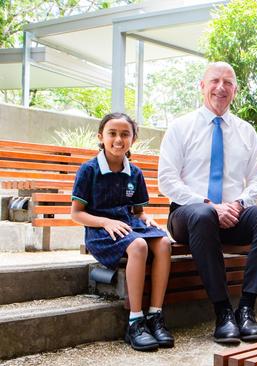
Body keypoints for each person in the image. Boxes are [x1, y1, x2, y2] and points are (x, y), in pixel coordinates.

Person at [158, 62, 257, 345]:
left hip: (233, 214)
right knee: (203, 215)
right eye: (214, 81)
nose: (221, 87)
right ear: (202, 86)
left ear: (235, 90)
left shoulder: (245, 131)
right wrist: (209, 205)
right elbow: (167, 180)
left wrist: (239, 204)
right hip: (188, 216)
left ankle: (247, 309)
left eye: (228, 82)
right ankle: (223, 312)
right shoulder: (181, 128)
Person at [71, 112, 174, 352]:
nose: (119, 139)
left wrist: (147, 219)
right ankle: (135, 321)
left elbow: (137, 212)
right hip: (100, 230)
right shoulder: (88, 170)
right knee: (138, 246)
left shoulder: (135, 173)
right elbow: (76, 214)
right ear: (101, 137)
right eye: (112, 134)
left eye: (125, 134)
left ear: (133, 139)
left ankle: (155, 315)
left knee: (164, 243)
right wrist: (106, 222)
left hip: (128, 225)